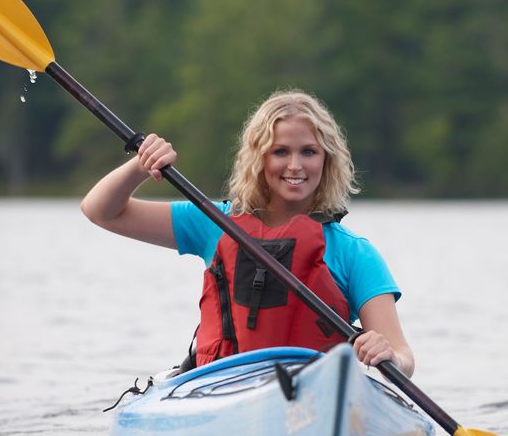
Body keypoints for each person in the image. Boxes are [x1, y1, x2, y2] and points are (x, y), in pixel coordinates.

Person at [80, 90, 414, 376]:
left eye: (308, 152)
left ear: (327, 161)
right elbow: (100, 211)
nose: (295, 165)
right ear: (259, 158)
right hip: (220, 388)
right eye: (280, 151)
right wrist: (141, 166)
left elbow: (403, 358)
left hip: (315, 399)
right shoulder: (214, 221)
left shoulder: (353, 253)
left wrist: (386, 354)